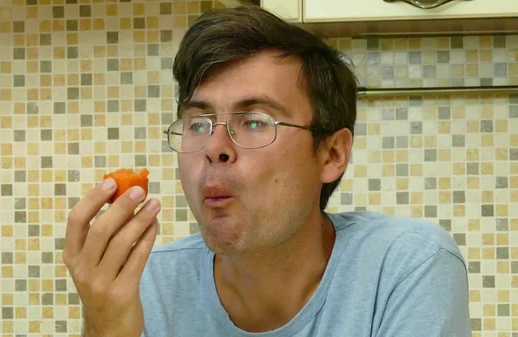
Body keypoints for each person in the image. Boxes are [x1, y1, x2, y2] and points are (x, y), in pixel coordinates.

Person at [62, 5, 471, 337]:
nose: (214, 149)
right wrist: (107, 328)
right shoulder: (143, 287)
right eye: (198, 124)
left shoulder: (405, 267)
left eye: (256, 121)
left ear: (331, 154)